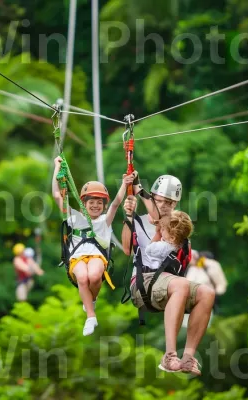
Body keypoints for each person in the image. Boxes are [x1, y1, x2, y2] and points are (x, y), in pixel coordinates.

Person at [122, 175, 215, 374]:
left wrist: (139, 190)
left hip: (168, 283)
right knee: (181, 284)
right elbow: (126, 249)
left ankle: (188, 358)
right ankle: (169, 356)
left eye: (169, 202)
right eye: (159, 200)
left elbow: (163, 221)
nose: (163, 205)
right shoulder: (139, 221)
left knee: (207, 293)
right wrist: (129, 216)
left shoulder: (177, 225)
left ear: (176, 203)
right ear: (153, 197)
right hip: (144, 283)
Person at [52, 156, 136, 336]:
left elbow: (116, 203)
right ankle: (91, 316)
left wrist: (124, 183)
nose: (95, 206)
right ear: (84, 204)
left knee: (95, 275)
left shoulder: (105, 220)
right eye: (91, 202)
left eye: (99, 203)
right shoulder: (74, 218)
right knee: (83, 277)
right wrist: (56, 168)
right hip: (77, 257)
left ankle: (92, 299)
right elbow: (56, 195)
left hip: (98, 255)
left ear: (103, 206)